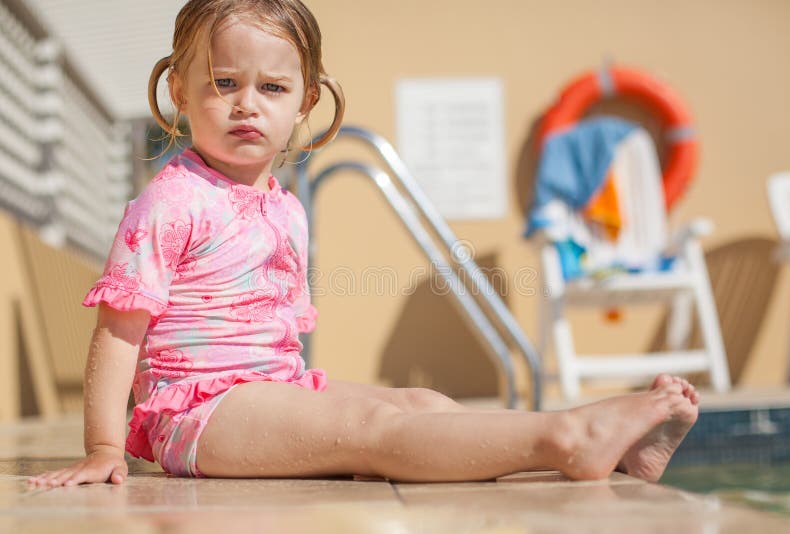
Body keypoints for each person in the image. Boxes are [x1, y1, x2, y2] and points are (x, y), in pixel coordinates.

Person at [28, 0, 699, 488]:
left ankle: (601, 454)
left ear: (304, 102)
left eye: (272, 88)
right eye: (223, 83)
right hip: (199, 413)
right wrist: (103, 445)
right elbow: (119, 333)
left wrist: (300, 400)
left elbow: (280, 340)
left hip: (271, 390)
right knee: (374, 434)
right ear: (179, 89)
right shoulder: (170, 201)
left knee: (417, 405)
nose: (246, 105)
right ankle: (569, 435)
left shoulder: (285, 208)